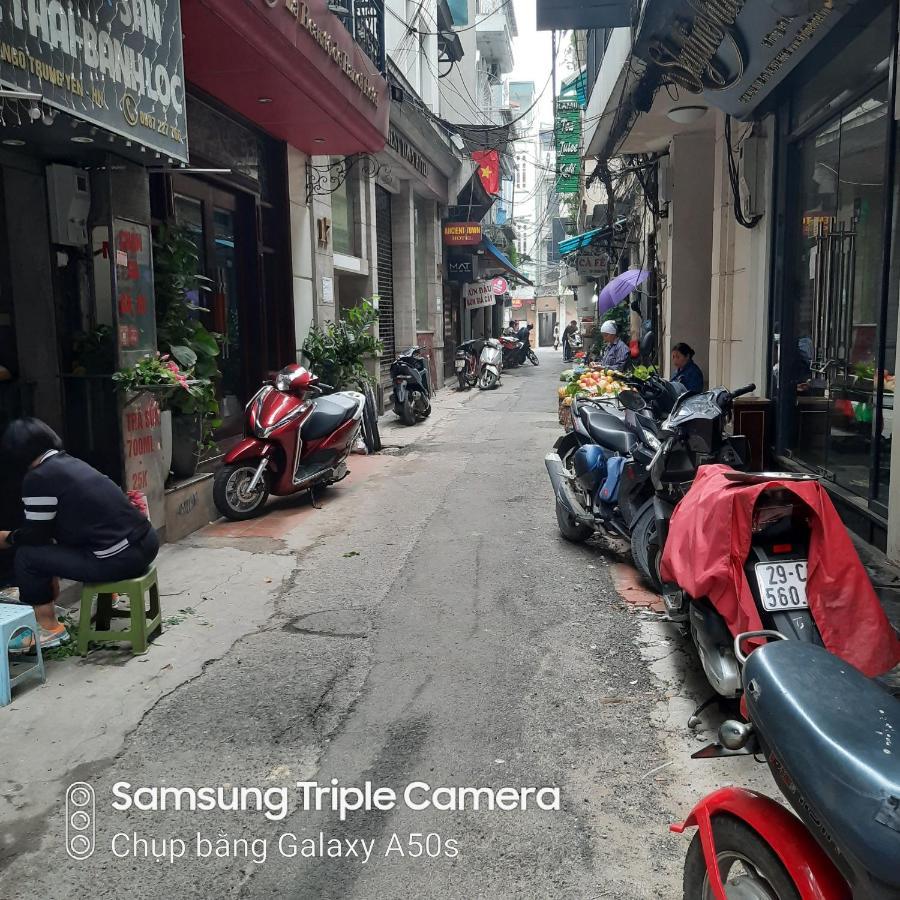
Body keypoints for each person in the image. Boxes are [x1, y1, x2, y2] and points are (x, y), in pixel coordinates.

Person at [0, 418, 160, 650]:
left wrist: (7, 538)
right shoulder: (68, 462)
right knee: (60, 542)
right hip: (145, 543)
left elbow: (35, 537)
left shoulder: (39, 477)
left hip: (121, 558)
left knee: (27, 556)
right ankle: (109, 594)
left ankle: (48, 628)